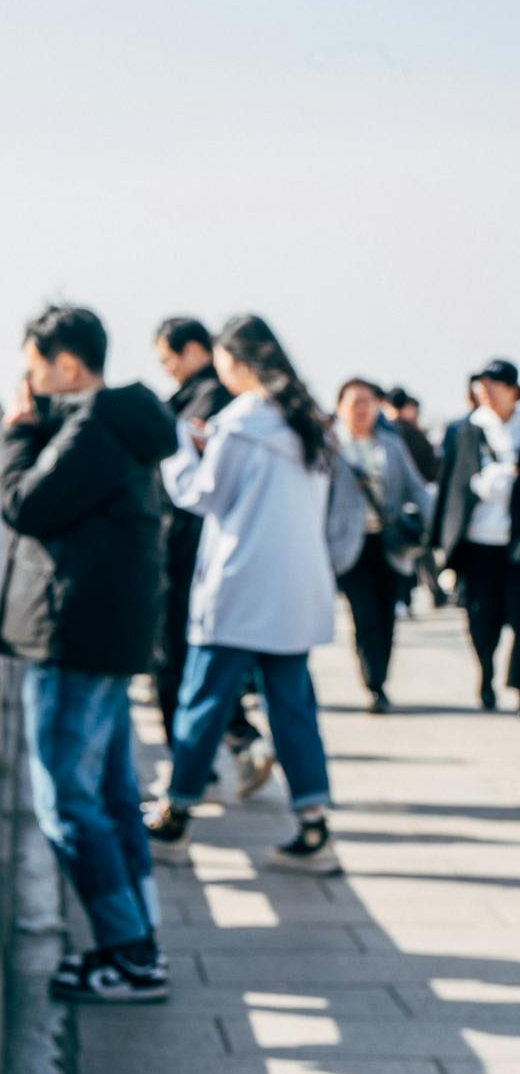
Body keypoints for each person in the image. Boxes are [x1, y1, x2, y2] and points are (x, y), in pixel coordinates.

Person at [0, 305, 177, 1003]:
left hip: (74, 635)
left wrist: (17, 432)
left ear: (67, 365)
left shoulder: (96, 425)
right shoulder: (116, 423)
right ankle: (140, 936)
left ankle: (129, 953)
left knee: (68, 800)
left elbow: (26, 503)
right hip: (105, 632)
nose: (30, 382)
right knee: (110, 794)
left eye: (35, 366)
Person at [146, 313, 340, 874]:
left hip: (240, 583)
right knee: (293, 706)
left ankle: (175, 814)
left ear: (236, 360)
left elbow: (200, 495)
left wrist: (183, 447)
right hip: (294, 587)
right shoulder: (305, 424)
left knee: (202, 700)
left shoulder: (240, 423)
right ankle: (313, 824)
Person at [152, 317, 272, 798]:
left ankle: (186, 783)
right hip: (209, 554)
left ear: (199, 351)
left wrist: (186, 442)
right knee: (204, 667)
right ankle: (232, 749)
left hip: (193, 552)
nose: (167, 370)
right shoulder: (230, 406)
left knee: (178, 663)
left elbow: (197, 489)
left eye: (168, 358)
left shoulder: (216, 406)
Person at [326, 378, 432, 712]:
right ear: (340, 407)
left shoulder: (391, 445)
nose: (360, 409)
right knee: (365, 613)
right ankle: (373, 682)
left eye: (367, 402)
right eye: (353, 402)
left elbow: (416, 487)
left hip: (389, 544)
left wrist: (430, 528)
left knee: (386, 613)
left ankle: (381, 679)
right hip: (349, 545)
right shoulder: (330, 448)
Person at [430, 359, 520, 710]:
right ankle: (485, 674)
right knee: (483, 618)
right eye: (481, 385)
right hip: (479, 540)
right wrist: (442, 538)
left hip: (516, 542)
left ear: (512, 389)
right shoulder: (465, 430)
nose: (485, 391)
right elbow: (450, 484)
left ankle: (515, 679)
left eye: (492, 384)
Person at [383, 387, 447, 610]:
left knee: (402, 554)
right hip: (419, 501)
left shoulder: (387, 434)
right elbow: (433, 467)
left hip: (395, 505)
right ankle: (431, 592)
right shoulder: (415, 433)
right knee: (419, 552)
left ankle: (405, 598)